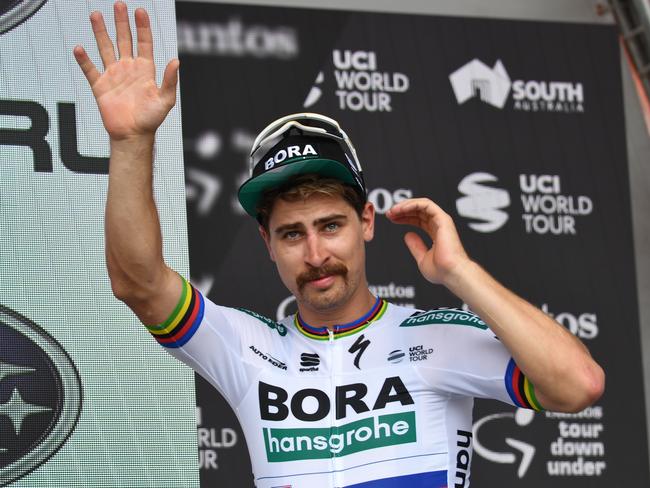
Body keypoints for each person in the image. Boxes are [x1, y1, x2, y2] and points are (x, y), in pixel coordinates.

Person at [74, 3, 605, 487]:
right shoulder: (249, 349)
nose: (315, 254)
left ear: (367, 222)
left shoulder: (438, 339)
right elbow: (138, 282)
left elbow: (578, 385)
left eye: (331, 226)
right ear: (267, 243)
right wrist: (130, 141)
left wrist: (460, 272)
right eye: (291, 234)